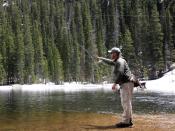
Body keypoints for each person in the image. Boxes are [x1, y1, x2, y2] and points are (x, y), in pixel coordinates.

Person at [97, 47, 134, 128]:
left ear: (116, 54)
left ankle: (126, 122)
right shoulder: (119, 60)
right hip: (127, 84)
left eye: (112, 53)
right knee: (127, 103)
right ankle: (128, 121)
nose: (111, 54)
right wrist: (102, 59)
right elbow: (111, 62)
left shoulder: (120, 61)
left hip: (126, 84)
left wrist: (115, 84)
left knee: (125, 103)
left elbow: (120, 73)